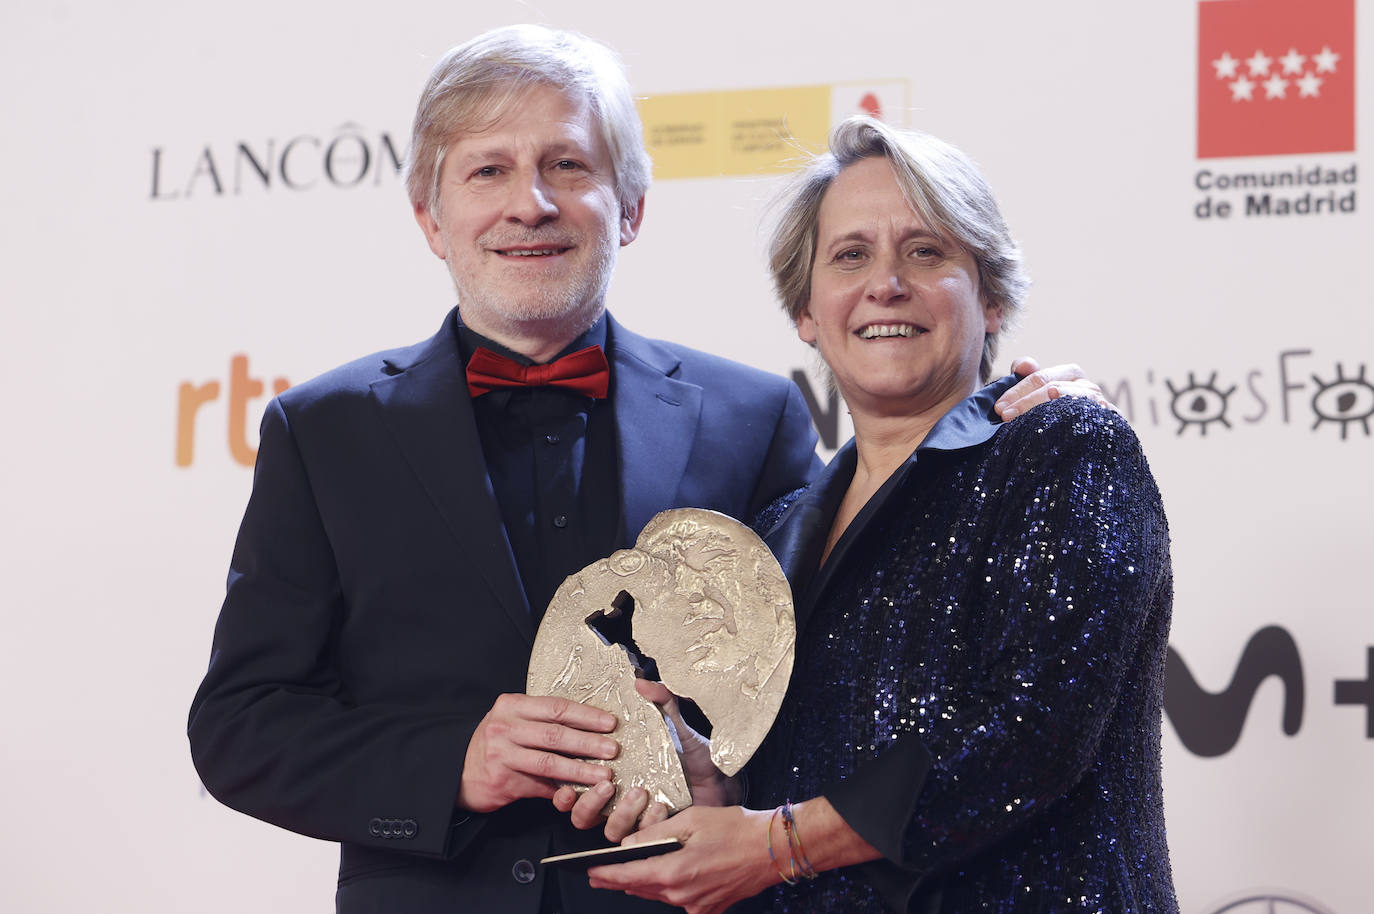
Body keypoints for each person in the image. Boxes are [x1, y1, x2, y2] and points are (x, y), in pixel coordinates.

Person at [187, 25, 1108, 914]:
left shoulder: (754, 419)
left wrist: (1020, 407)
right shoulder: (325, 431)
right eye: (487, 170)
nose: (530, 204)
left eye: (568, 165)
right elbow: (240, 726)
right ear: (431, 218)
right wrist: (450, 764)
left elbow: (846, 669)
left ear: (630, 207)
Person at [581, 118, 1178, 913]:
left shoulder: (1063, 449)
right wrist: (721, 784)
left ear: (992, 297)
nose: (886, 283)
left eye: (926, 252)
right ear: (806, 310)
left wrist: (774, 844)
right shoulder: (783, 529)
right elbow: (815, 773)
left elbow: (1031, 735)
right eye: (851, 255)